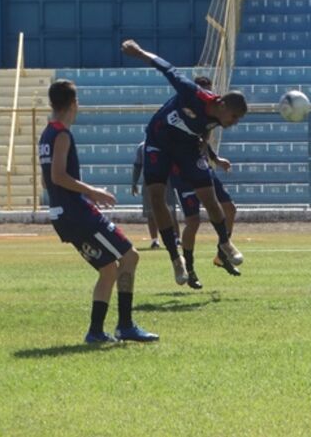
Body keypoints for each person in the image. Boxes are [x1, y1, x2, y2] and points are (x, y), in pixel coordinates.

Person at [39, 79, 158, 344]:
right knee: (130, 256)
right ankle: (125, 325)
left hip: (63, 215)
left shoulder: (46, 134)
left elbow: (47, 179)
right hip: (77, 214)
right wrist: (92, 192)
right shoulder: (61, 134)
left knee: (108, 269)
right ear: (73, 103)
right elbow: (58, 176)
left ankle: (95, 332)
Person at [120, 39, 247, 286]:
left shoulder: (217, 119)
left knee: (210, 197)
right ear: (221, 104)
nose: (234, 122)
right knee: (156, 197)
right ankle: (176, 260)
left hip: (187, 147)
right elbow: (167, 68)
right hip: (158, 140)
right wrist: (138, 52)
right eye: (233, 116)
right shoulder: (193, 94)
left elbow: (205, 130)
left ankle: (224, 242)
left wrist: (209, 154)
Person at [169, 76, 241, 290]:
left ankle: (222, 254)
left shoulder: (211, 115)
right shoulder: (184, 111)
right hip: (181, 172)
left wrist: (215, 159)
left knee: (229, 209)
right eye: (203, 91)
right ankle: (189, 269)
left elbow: (201, 140)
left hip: (201, 167)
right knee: (193, 222)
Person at [131, 140, 179, 250]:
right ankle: (154, 240)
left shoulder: (168, 144)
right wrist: (134, 182)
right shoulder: (142, 147)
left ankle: (176, 239)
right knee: (151, 214)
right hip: (149, 182)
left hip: (167, 182)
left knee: (171, 212)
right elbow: (137, 166)